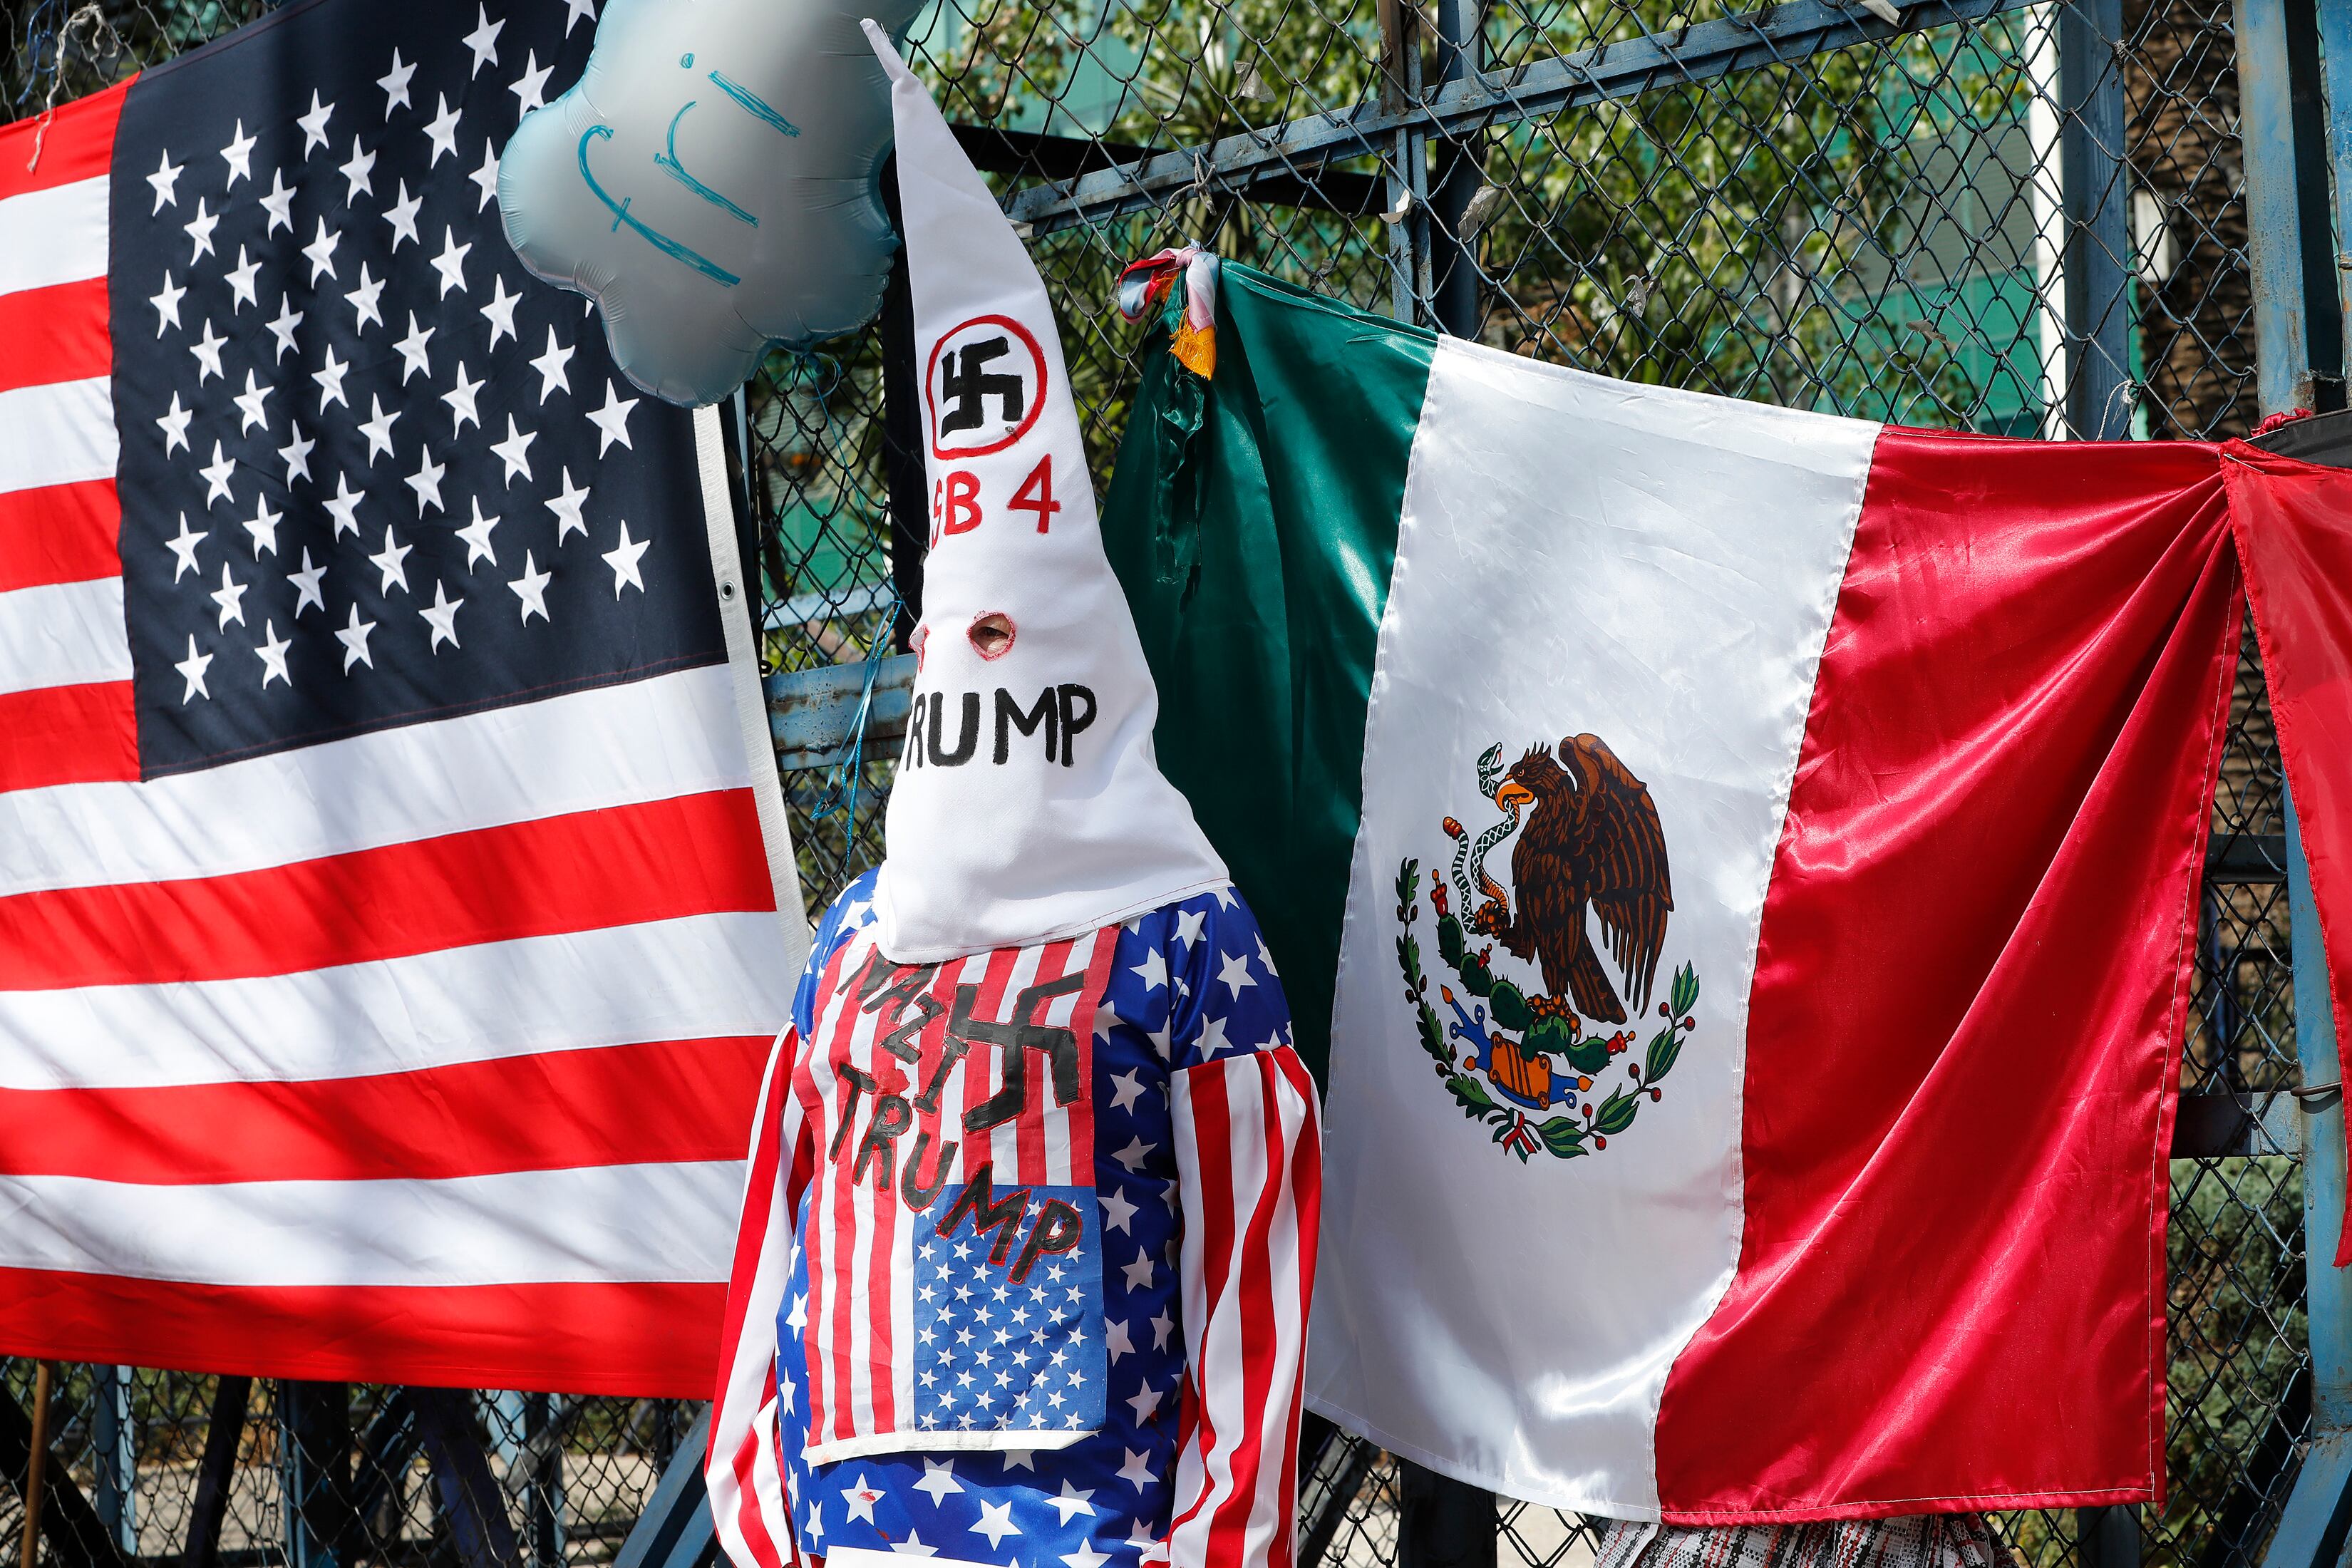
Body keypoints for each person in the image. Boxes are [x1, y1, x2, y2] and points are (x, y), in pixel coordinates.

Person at [704, 26, 1321, 1568]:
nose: (966, 666)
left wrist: (1205, 1551)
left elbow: (1254, 1263)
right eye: (946, 643)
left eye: (1003, 635)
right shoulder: (854, 944)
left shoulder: (1185, 941)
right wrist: (766, 1518)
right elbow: (774, 1236)